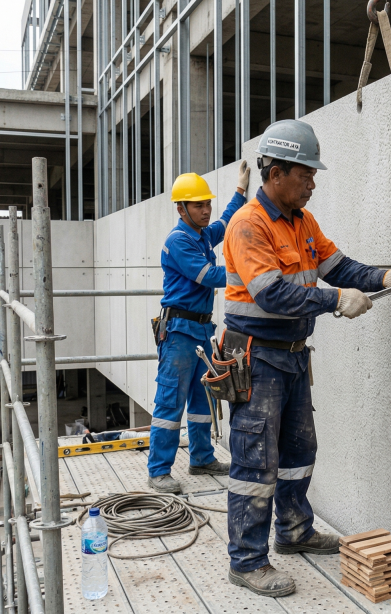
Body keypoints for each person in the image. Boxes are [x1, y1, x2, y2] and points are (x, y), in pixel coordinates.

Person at [221, 119, 391, 596]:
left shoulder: (303, 223)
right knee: (255, 461)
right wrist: (335, 301)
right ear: (276, 173)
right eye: (306, 174)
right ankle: (247, 561)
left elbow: (340, 266)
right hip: (256, 358)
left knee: (298, 451)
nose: (313, 183)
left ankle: (293, 532)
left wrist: (385, 276)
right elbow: (270, 294)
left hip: (290, 357)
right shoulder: (247, 225)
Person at [148, 163, 251, 493]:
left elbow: (225, 224)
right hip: (178, 332)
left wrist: (239, 192)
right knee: (170, 402)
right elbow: (210, 276)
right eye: (198, 205)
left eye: (207, 203)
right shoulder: (179, 241)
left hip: (199, 332)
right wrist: (254, 272)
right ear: (181, 208)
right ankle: (158, 471)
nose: (206, 210)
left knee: (202, 399)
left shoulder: (201, 233)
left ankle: (202, 458)